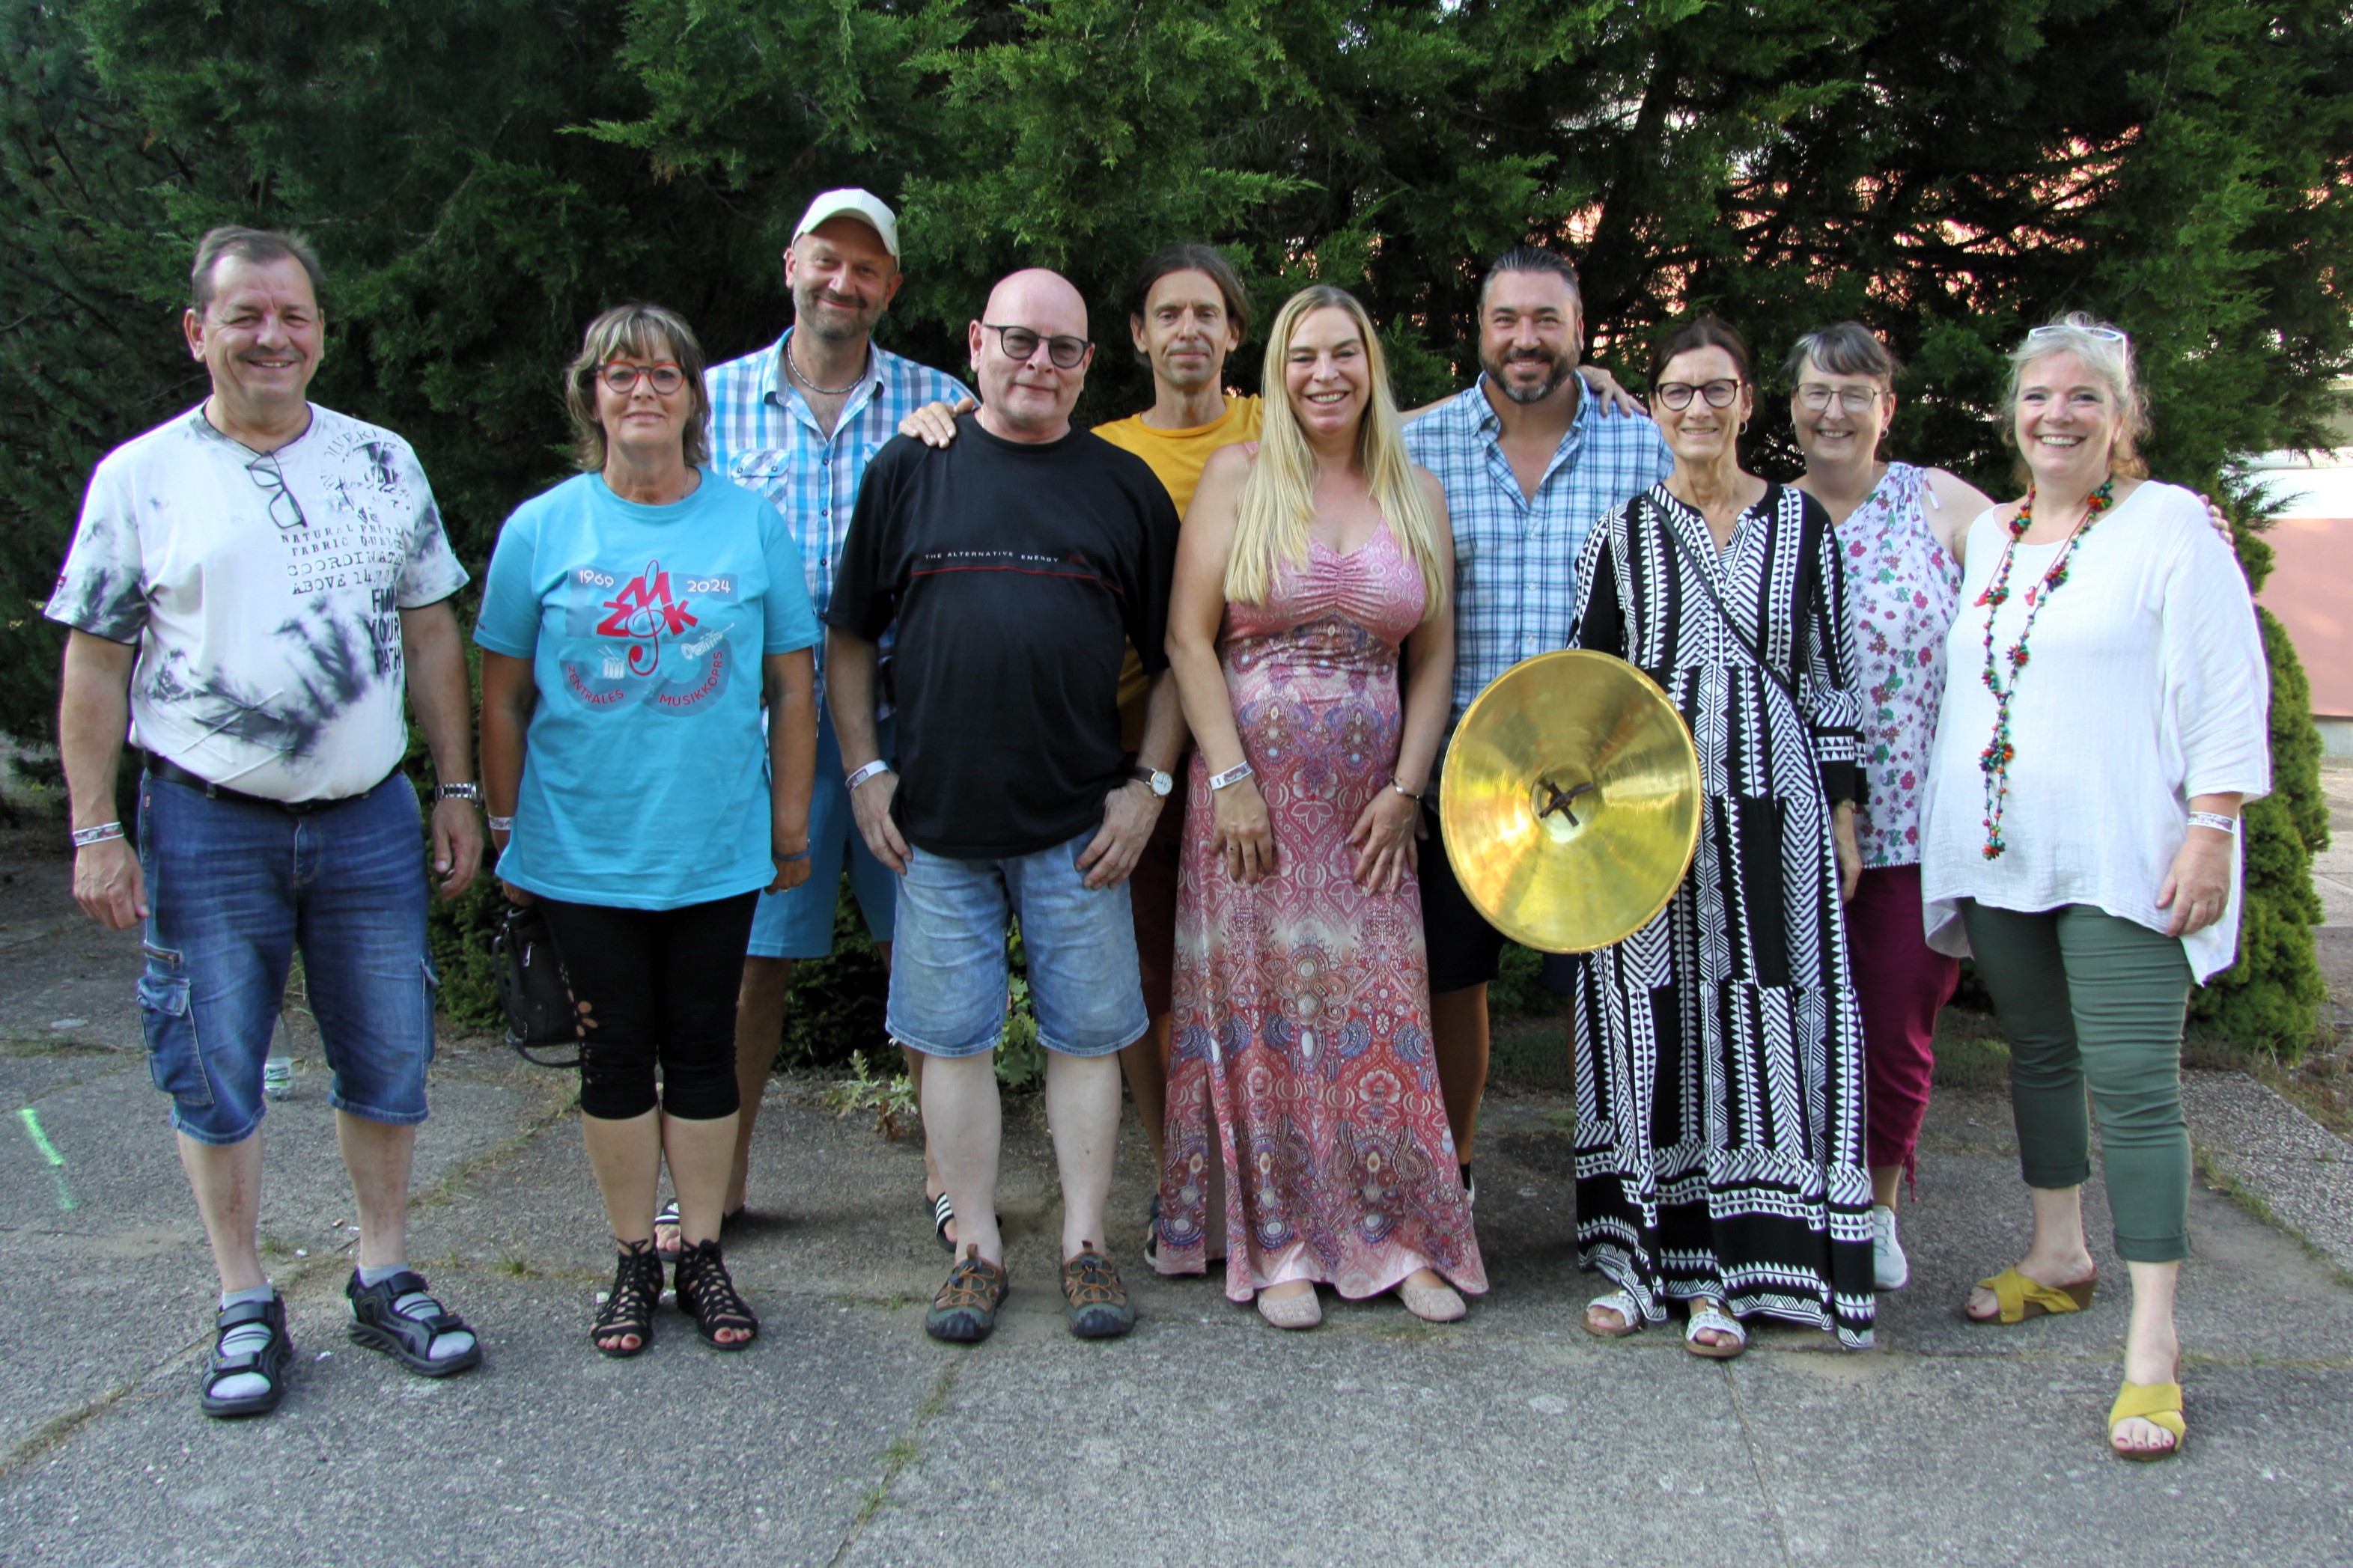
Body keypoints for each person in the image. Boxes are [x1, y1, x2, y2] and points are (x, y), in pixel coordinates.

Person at [49, 226, 484, 1418]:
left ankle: (383, 1271)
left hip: (365, 819)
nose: (270, 337)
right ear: (199, 331)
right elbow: (96, 663)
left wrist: (454, 788)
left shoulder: (381, 461)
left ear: (321, 331)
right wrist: (94, 827)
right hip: (205, 823)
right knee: (212, 1061)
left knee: (387, 1052)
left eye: (292, 315)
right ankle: (243, 1296)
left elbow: (431, 630)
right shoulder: (141, 477)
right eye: (244, 315)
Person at [1919, 314, 2268, 1459]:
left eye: (2081, 396)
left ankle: (2153, 1341)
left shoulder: (2169, 526)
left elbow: (2225, 680)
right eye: (2035, 395)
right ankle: (2056, 1253)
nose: (2055, 415)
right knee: (2039, 1054)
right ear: (2009, 414)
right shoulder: (1991, 534)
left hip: (2121, 851)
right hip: (2005, 851)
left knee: (2133, 1087)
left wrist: (2211, 826)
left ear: (2122, 416)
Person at [829, 269, 1183, 1344]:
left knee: (1087, 1040)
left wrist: (1148, 788)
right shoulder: (909, 468)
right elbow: (849, 635)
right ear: (977, 342)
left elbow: (1178, 656)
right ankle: (974, 1249)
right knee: (951, 1044)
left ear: (1088, 364)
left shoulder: (1124, 487)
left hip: (1080, 826)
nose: (1039, 364)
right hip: (936, 827)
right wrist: (864, 770)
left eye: (1063, 349)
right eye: (1019, 341)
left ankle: (1084, 1243)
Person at [476, 303, 821, 1357]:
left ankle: (702, 1250)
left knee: (704, 1048)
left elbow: (791, 685)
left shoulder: (748, 523)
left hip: (713, 843)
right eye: (619, 374)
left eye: (664, 374)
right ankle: (633, 1255)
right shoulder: (541, 529)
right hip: (581, 848)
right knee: (613, 1053)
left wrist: (789, 826)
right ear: (590, 396)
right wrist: (504, 828)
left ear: (692, 398)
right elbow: (503, 697)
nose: (641, 391)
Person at [1156, 283, 1482, 1328]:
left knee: (1378, 1021)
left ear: (1372, 367)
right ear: (1277, 370)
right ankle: (1282, 1240)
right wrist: (1229, 780)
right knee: (1263, 1017)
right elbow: (1186, 639)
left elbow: (1432, 660)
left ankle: (1399, 1236)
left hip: (1366, 818)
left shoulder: (1415, 491)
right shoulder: (1238, 475)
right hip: (1247, 810)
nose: (1324, 373)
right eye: (1302, 356)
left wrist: (1405, 789)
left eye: (1344, 353)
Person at [1563, 316, 1873, 1356]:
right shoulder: (1621, 533)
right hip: (1647, 823)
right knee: (1645, 1021)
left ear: (1746, 402)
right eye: (1676, 391)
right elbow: (1583, 691)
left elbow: (1830, 678)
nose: (1696, 407)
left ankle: (1732, 1275)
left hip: (1775, 817)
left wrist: (1842, 815)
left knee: (1759, 1020)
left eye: (1715, 389)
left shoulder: (1800, 525)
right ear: (1652, 408)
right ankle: (1640, 1262)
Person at [701, 189, 976, 1254]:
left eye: (866, 269)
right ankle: (716, 1183)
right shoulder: (711, 402)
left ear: (890, 288)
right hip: (755, 731)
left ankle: (950, 1179)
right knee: (745, 967)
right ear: (791, 264)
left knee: (927, 952)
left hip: (905, 724)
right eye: (827, 260)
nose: (842, 283)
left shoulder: (942, 403)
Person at [1401, 247, 1675, 1205]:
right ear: (1477, 329)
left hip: (1604, 784)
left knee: (1604, 990)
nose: (1526, 339)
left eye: (1547, 320)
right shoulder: (1416, 445)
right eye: (1507, 319)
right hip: (1458, 773)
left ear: (1580, 330)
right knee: (1449, 979)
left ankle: (1616, 1183)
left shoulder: (1643, 448)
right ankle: (1454, 1173)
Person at [1784, 323, 1996, 1290]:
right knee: (1789, 1026)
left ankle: (1875, 1209)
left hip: (1911, 825)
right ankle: (1796, 1200)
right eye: (1816, 392)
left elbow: (2043, 570)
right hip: (1787, 826)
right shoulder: (1767, 517)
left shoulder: (1940, 503)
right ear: (1789, 405)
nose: (1833, 411)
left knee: (1895, 1026)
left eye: (1854, 394)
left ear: (1886, 408)